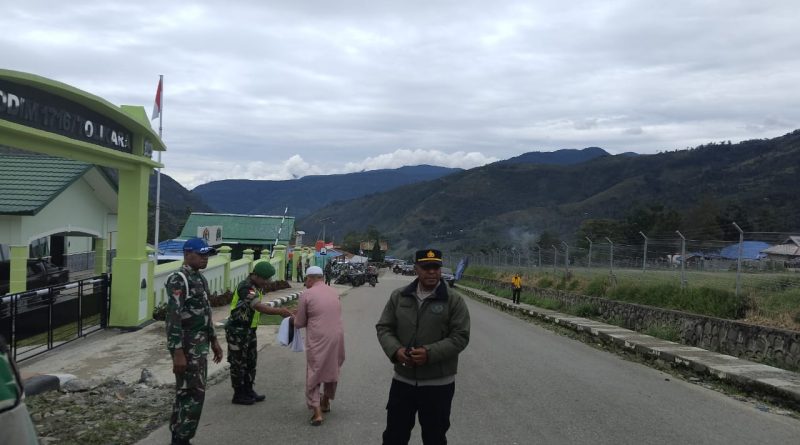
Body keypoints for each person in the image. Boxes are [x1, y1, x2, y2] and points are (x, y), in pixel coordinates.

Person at [376, 249, 471, 445]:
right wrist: (396, 350)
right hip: (403, 381)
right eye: (426, 267)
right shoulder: (399, 296)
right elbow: (384, 327)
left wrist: (430, 353)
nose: (432, 271)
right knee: (394, 436)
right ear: (416, 269)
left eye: (436, 267)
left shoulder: (453, 300)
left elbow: (460, 336)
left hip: (439, 385)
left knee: (435, 437)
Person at [165, 237, 223, 445]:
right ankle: (181, 438)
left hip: (200, 345)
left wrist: (214, 340)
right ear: (187, 254)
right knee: (191, 393)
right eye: (201, 254)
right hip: (187, 346)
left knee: (191, 392)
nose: (205, 258)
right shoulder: (179, 279)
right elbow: (173, 317)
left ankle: (181, 436)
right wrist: (177, 352)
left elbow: (205, 313)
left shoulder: (199, 278)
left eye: (207, 255)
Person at [225, 261, 292, 405]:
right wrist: (280, 311)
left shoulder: (256, 287)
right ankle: (238, 394)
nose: (267, 282)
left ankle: (249, 390)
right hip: (237, 331)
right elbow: (258, 306)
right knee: (238, 363)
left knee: (251, 361)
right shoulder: (246, 287)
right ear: (256, 276)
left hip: (250, 330)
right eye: (265, 279)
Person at [293, 266, 346, 426]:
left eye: (306, 279)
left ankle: (317, 413)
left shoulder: (307, 294)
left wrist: (291, 318)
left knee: (314, 371)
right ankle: (325, 401)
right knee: (332, 369)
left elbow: (300, 322)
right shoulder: (334, 292)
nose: (306, 282)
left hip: (318, 338)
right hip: (337, 337)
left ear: (310, 278)